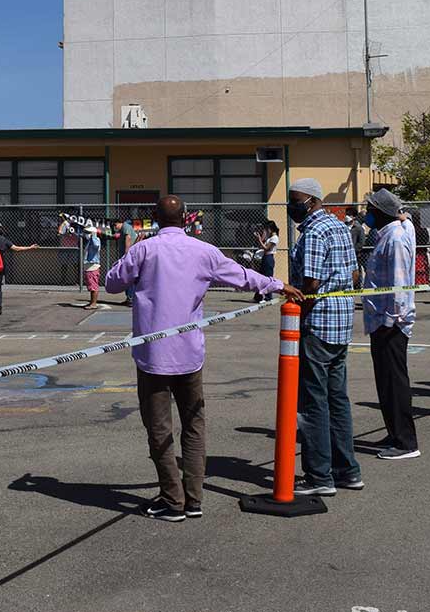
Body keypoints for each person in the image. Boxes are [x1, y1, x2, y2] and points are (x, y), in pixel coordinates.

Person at [104, 195, 298, 521]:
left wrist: (130, 255)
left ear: (155, 218)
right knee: (194, 425)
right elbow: (242, 276)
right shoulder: (204, 251)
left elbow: (111, 284)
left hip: (153, 357)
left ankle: (172, 499)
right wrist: (278, 285)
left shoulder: (143, 249)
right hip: (189, 355)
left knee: (159, 429)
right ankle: (193, 498)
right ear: (185, 219)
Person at [286, 178, 360, 496]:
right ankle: (347, 471)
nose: (292, 207)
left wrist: (296, 306)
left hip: (318, 325)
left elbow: (311, 284)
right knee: (337, 399)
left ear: (312, 201)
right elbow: (354, 273)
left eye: (296, 201)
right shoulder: (339, 225)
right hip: (341, 323)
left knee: (313, 403)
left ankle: (319, 476)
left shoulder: (315, 232)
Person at [361, 189, 419, 460]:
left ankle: (406, 442)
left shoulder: (394, 238)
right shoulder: (396, 230)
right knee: (385, 381)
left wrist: (391, 320)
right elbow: (405, 219)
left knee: (394, 382)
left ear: (381, 212)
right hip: (382, 321)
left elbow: (398, 284)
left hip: (390, 322)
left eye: (370, 209)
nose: (366, 213)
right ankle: (394, 431)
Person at [0, 220, 40, 316]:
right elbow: (16, 248)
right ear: (0, 230)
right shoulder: (4, 240)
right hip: (0, 267)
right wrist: (30, 247)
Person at [254, 221, 280, 303]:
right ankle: (258, 296)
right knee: (261, 277)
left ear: (271, 229)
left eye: (267, 229)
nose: (266, 230)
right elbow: (261, 245)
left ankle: (268, 297)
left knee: (268, 278)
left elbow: (266, 248)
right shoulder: (269, 237)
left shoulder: (274, 238)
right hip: (265, 257)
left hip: (269, 257)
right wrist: (261, 237)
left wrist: (260, 240)